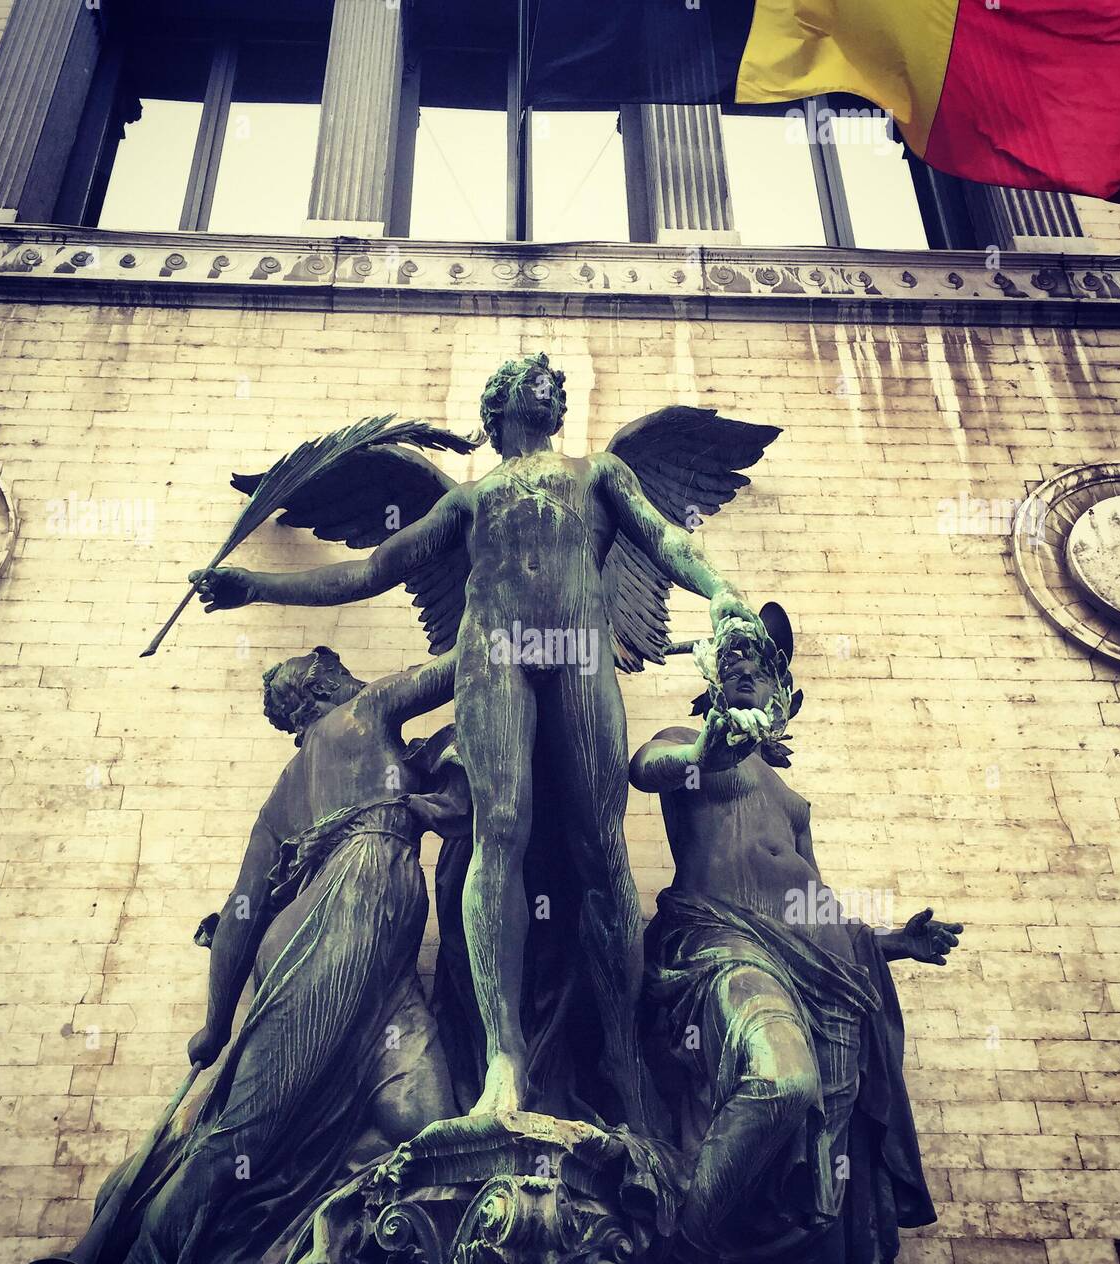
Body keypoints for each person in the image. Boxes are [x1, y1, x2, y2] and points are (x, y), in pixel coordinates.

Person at [187, 354, 760, 1132]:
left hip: (578, 653)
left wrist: (724, 592)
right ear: (497, 414)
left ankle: (623, 1055)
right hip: (494, 657)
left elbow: (668, 541)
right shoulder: (470, 501)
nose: (545, 387)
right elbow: (372, 570)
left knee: (602, 850)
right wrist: (259, 587)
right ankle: (504, 1059)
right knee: (500, 836)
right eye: (528, 382)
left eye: (551, 383)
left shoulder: (601, 475)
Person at [86, 647, 463, 1264]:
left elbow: (239, 914)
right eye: (345, 672)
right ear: (321, 690)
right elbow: (460, 663)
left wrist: (215, 1021)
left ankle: (377, 1261)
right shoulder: (360, 714)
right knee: (249, 1128)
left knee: (428, 1127)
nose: (362, 678)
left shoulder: (285, 796)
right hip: (336, 928)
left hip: (381, 965)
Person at [630, 609, 962, 1264]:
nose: (744, 667)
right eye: (731, 661)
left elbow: (816, 898)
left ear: (783, 691)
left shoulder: (793, 799)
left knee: (821, 1175)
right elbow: (645, 769)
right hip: (726, 941)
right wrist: (702, 754)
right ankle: (679, 1259)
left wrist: (892, 942)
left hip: (826, 973)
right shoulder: (688, 744)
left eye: (758, 662)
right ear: (713, 684)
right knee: (783, 1084)